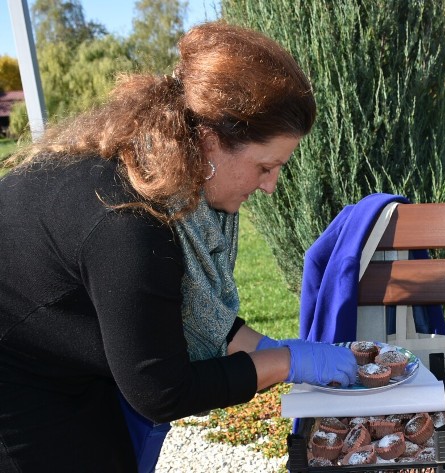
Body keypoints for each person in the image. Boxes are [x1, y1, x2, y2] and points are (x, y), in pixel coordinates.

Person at [0, 21, 357, 472]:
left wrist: (269, 347)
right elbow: (161, 391)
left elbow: (192, 314)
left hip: (63, 360)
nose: (270, 186)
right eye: (265, 166)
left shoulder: (165, 175)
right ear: (210, 141)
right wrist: (285, 362)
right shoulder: (132, 222)